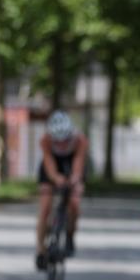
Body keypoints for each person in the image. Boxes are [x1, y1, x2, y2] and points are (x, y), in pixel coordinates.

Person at [35, 110, 88, 270]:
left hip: (71, 164)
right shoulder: (45, 140)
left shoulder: (80, 140)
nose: (62, 144)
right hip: (52, 165)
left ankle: (70, 236)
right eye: (57, 141)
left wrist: (75, 179)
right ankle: (41, 250)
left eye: (65, 140)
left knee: (74, 203)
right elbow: (49, 165)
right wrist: (56, 178)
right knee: (45, 207)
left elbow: (78, 164)